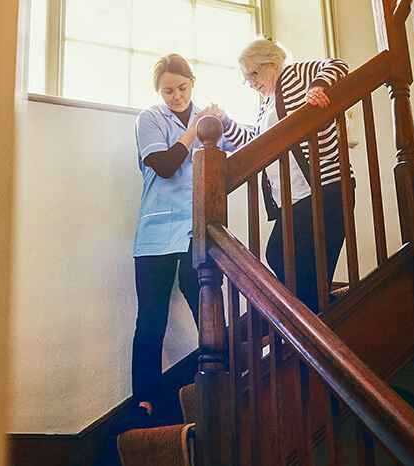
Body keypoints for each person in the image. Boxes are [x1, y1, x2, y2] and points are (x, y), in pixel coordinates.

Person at [131, 53, 232, 424]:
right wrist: (199, 126)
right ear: (158, 91)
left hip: (198, 229)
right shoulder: (149, 119)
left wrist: (221, 120)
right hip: (156, 232)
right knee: (151, 318)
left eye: (183, 88)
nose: (176, 96)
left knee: (204, 305)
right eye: (168, 90)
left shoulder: (211, 118)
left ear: (193, 83)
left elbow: (240, 151)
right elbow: (166, 164)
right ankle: (144, 400)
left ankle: (224, 383)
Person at [219, 37, 351, 314]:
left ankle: (319, 321)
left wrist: (318, 86)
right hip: (294, 198)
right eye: (246, 79)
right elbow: (254, 144)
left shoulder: (294, 74)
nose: (251, 83)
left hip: (322, 187)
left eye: (252, 74)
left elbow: (337, 65)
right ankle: (321, 320)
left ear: (273, 62)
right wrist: (225, 122)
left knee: (280, 254)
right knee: (290, 262)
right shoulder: (266, 105)